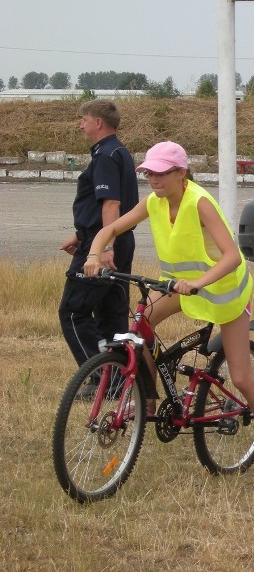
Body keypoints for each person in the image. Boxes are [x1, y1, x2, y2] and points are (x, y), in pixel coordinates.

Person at [83, 141, 254, 486]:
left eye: (162, 171)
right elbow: (111, 229)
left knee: (241, 376)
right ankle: (149, 402)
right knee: (140, 324)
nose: (154, 178)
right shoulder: (154, 201)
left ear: (182, 173)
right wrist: (96, 254)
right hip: (181, 286)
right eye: (149, 171)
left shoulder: (199, 202)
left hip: (224, 291)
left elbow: (232, 257)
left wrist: (199, 282)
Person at [59, 100, 138, 399]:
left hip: (104, 244)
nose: (80, 125)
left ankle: (99, 377)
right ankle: (118, 381)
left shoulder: (105, 155)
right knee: (111, 315)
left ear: (99, 123)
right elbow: (104, 206)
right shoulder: (119, 151)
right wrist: (81, 235)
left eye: (84, 119)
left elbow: (111, 203)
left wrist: (102, 246)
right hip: (110, 239)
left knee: (73, 311)